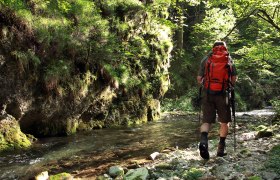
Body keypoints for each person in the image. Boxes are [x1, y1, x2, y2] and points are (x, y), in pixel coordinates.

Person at [196, 41, 237, 159]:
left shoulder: (206, 59)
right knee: (224, 121)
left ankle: (203, 141)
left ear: (213, 48)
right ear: (225, 47)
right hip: (223, 94)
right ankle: (221, 148)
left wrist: (206, 85)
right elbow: (234, 78)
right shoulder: (228, 59)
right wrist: (229, 86)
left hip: (208, 94)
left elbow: (199, 78)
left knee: (206, 120)